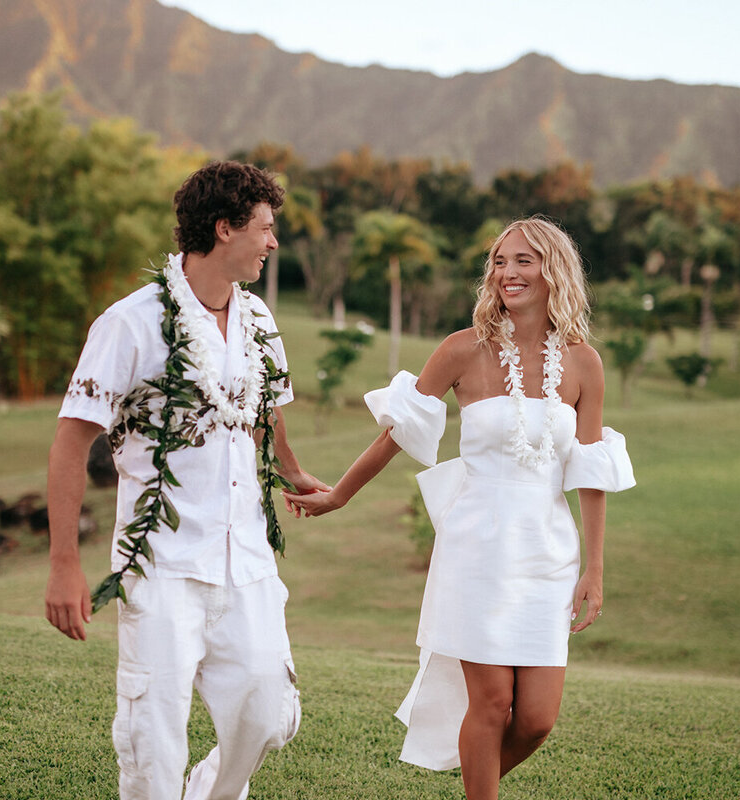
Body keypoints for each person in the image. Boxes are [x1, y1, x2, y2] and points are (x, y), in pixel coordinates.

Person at [284, 217, 635, 799]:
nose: (507, 273)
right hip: (475, 546)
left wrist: (594, 569)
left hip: (548, 552)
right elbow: (397, 434)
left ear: (554, 270)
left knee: (538, 719)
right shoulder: (462, 350)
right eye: (499, 261)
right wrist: (338, 496)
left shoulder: (583, 363)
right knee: (492, 703)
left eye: (523, 260)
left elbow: (591, 473)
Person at [44, 160, 328, 800]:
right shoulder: (131, 323)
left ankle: (209, 793)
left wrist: (293, 472)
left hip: (247, 560)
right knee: (154, 737)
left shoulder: (259, 322)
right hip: (162, 563)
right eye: (265, 227)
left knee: (268, 713)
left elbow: (265, 412)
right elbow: (70, 442)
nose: (273, 242)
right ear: (224, 228)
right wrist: (65, 563)